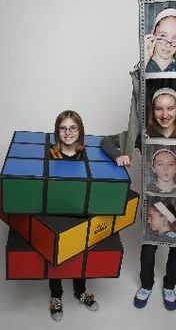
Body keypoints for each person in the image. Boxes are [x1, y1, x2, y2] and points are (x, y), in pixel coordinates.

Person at [100, 57, 176, 311]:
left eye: (170, 108)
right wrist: (119, 155)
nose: (165, 114)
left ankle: (170, 285)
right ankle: (147, 284)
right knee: (149, 246)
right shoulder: (144, 135)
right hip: (153, 201)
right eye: (159, 109)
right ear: (152, 111)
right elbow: (106, 142)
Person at [49, 110, 99, 321]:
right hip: (55, 210)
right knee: (55, 253)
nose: (68, 132)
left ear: (80, 131)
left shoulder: (87, 154)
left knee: (80, 251)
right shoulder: (49, 155)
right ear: (57, 131)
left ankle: (80, 291)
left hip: (80, 211)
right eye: (63, 128)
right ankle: (56, 296)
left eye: (73, 128)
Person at [145, 8, 176, 72]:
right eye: (163, 35)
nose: (168, 45)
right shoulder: (143, 64)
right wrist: (144, 61)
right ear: (153, 33)